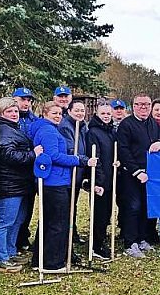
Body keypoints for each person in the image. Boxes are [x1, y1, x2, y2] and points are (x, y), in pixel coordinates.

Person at [27, 102, 98, 270]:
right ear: (45, 113)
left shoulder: (47, 129)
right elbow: (54, 156)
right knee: (57, 223)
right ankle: (52, 262)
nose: (58, 116)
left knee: (48, 221)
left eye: (60, 113)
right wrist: (81, 160)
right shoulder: (49, 131)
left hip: (54, 181)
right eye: (54, 113)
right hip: (55, 182)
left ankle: (39, 260)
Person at [0, 98, 43, 273]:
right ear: (1, 113)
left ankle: (10, 252)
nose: (14, 114)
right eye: (9, 111)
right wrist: (32, 154)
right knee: (4, 222)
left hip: (19, 183)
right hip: (8, 185)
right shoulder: (4, 130)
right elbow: (9, 156)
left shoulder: (13, 128)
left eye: (15, 111)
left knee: (16, 221)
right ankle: (0, 259)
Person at [116, 94, 160, 258]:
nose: (143, 107)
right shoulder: (127, 124)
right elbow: (123, 151)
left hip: (150, 174)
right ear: (134, 106)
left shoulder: (153, 124)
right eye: (140, 104)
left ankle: (141, 238)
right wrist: (136, 171)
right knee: (133, 207)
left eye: (147, 104)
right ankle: (129, 242)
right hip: (131, 174)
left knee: (146, 207)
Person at [86, 103, 118, 260]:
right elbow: (95, 157)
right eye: (103, 113)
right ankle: (95, 246)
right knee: (98, 214)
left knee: (106, 215)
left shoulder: (111, 131)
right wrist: (98, 181)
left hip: (110, 178)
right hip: (100, 181)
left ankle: (100, 241)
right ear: (97, 114)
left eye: (108, 113)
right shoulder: (93, 132)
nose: (106, 116)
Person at [12, 87, 39, 256]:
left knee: (28, 207)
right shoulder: (9, 118)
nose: (26, 103)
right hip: (14, 170)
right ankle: (12, 241)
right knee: (13, 208)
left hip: (31, 169)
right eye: (22, 99)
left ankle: (23, 237)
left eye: (28, 100)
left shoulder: (34, 120)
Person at [60, 100, 90, 246]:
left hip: (78, 172)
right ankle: (66, 235)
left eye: (82, 110)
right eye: (77, 110)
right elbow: (70, 150)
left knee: (73, 204)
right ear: (70, 111)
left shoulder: (83, 126)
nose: (80, 113)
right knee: (65, 205)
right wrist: (85, 160)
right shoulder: (66, 126)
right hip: (68, 173)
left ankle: (73, 232)